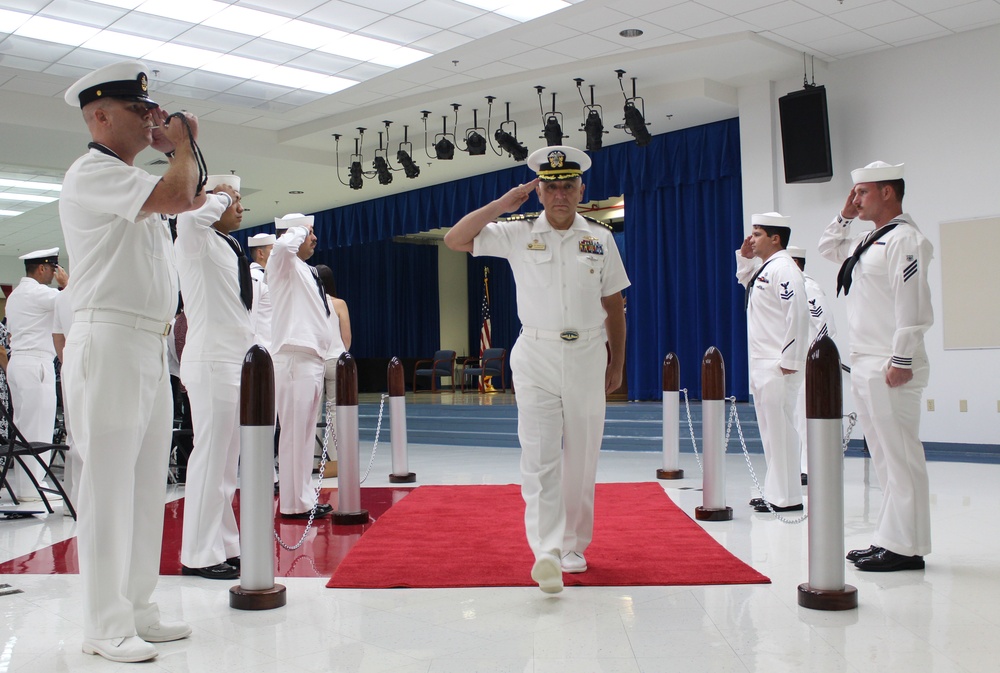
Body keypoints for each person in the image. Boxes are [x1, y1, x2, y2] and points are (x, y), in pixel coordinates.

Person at [60, 59, 207, 663]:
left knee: (148, 486)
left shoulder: (130, 182)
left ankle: (138, 606)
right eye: (139, 111)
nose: (152, 119)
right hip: (110, 340)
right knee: (109, 488)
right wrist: (186, 142)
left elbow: (188, 195)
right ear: (99, 116)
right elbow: (180, 192)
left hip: (146, 344)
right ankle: (103, 621)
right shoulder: (93, 172)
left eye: (153, 111)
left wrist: (185, 150)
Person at [444, 146, 629, 594]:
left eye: (568, 185)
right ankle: (545, 552)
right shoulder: (517, 231)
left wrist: (617, 361)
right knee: (540, 456)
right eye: (551, 186)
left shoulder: (600, 238)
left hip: (587, 353)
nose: (560, 193)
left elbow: (613, 306)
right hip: (537, 355)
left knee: (582, 456)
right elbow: (455, 239)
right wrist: (501, 205)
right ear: (538, 191)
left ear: (582, 189)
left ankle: (573, 546)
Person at [818, 161, 933, 572]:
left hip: (891, 363)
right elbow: (828, 249)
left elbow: (914, 306)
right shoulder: (871, 238)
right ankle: (892, 539)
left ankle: (906, 547)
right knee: (884, 457)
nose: (856, 199)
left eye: (863, 192)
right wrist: (844, 216)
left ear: (888, 193)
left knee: (900, 456)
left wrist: (901, 358)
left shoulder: (906, 241)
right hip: (867, 361)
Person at [174, 175, 251, 580]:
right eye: (232, 200)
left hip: (234, 360)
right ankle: (198, 553)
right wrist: (219, 194)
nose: (238, 206)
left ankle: (224, 544)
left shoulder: (228, 244)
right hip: (211, 360)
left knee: (226, 462)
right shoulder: (193, 235)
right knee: (210, 458)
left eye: (239, 201)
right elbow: (188, 219)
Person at [735, 213, 809, 513]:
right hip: (762, 361)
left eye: (757, 234)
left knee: (780, 431)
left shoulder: (785, 268)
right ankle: (778, 492)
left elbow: (798, 312)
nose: (751, 239)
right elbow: (746, 281)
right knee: (771, 432)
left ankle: (787, 498)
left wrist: (791, 357)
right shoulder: (766, 268)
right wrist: (744, 257)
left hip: (778, 363)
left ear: (775, 238)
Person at [269, 214, 334, 519]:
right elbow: (282, 249)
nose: (314, 238)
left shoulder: (306, 270)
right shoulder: (283, 262)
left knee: (306, 435)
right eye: (310, 233)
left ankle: (303, 498)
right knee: (295, 434)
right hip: (294, 357)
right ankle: (294, 503)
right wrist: (297, 230)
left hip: (312, 358)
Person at [4, 247, 68, 499]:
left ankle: (25, 485)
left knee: (23, 426)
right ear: (42, 268)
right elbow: (72, 302)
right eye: (53, 269)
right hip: (35, 364)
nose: (55, 274)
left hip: (19, 363)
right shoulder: (39, 293)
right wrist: (68, 284)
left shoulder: (16, 295)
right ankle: (31, 489)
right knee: (37, 428)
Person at [786, 246, 838, 485]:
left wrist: (816, 357)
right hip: (794, 364)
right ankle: (798, 466)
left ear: (796, 263)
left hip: (809, 364)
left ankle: (809, 467)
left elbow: (825, 325)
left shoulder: (808, 287)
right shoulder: (791, 287)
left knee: (806, 416)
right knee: (795, 418)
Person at [51, 284, 82, 511]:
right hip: (88, 364)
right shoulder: (91, 287)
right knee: (88, 434)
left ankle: (71, 499)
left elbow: (57, 336)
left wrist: (66, 362)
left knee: (73, 434)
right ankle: (82, 500)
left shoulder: (62, 297)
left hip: (70, 363)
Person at [247, 233, 276, 351]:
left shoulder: (268, 276)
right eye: (273, 250)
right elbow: (250, 315)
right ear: (260, 253)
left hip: (273, 347)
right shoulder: (253, 276)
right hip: (262, 348)